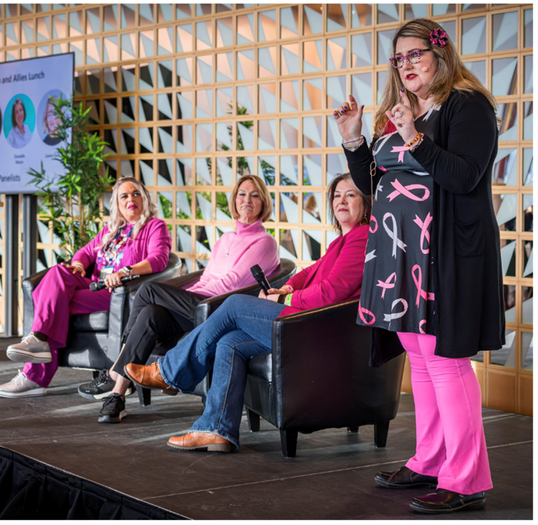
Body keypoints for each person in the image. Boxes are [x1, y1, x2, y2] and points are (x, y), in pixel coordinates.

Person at [335, 18, 501, 514]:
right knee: (421, 360)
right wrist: (354, 140)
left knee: (447, 363)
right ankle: (430, 459)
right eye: (399, 58)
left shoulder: (468, 106)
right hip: (398, 254)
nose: (406, 64)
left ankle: (465, 478)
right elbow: (375, 185)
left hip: (445, 254)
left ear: (439, 54)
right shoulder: (402, 111)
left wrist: (413, 136)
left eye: (415, 54)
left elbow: (466, 176)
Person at [126, 173, 370, 451]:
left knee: (234, 305)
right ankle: (217, 429)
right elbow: (310, 273)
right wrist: (287, 288)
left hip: (313, 328)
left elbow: (331, 292)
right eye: (337, 195)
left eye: (350, 195)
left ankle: (169, 371)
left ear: (365, 202)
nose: (341, 201)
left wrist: (285, 301)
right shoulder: (342, 241)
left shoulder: (362, 238)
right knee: (230, 343)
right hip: (305, 322)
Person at [86, 175, 281, 423]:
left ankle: (117, 366)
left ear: (263, 202)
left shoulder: (265, 242)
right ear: (234, 200)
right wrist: (184, 293)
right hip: (197, 305)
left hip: (220, 309)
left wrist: (190, 296)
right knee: (150, 314)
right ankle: (118, 394)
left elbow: (233, 283)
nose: (247, 200)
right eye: (242, 194)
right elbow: (206, 277)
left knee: (148, 291)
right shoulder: (225, 239)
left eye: (254, 195)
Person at [0, 177, 172, 398]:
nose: (130, 200)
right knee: (59, 272)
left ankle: (35, 374)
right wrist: (78, 264)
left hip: (118, 293)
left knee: (50, 303)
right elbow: (86, 252)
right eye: (124, 196)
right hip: (94, 286)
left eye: (136, 193)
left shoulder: (155, 227)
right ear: (116, 203)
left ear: (145, 198)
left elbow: (159, 259)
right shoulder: (112, 230)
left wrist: (125, 271)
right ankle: (38, 343)